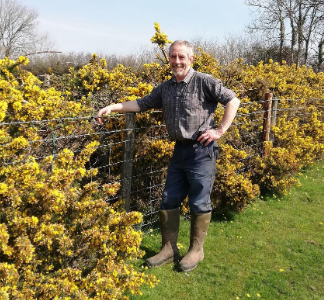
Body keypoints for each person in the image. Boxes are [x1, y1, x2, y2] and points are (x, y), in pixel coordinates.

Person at [96, 40, 240, 272]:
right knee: (168, 199)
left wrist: (220, 130)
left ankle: (196, 250)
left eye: (182, 57)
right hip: (179, 151)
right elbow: (141, 103)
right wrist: (113, 107)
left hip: (201, 151)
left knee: (199, 200)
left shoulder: (204, 81)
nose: (177, 61)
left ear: (191, 59)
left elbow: (233, 100)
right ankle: (168, 249)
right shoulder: (166, 88)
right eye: (173, 57)